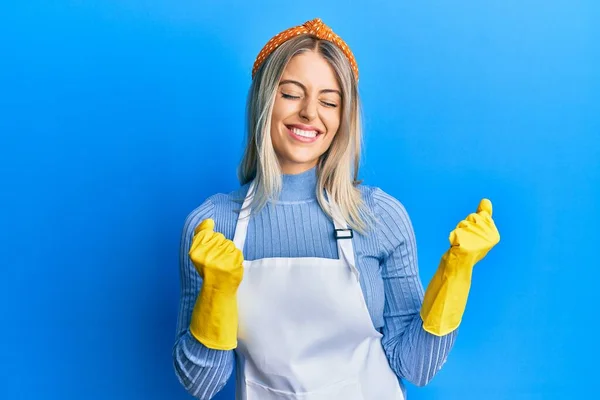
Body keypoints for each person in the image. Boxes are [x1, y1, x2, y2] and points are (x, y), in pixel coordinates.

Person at [172, 18, 500, 400]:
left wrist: (455, 274)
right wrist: (216, 291)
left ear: (344, 117)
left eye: (329, 101)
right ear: (265, 100)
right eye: (292, 93)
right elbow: (203, 384)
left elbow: (415, 367)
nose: (311, 113)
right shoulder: (214, 225)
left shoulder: (379, 217)